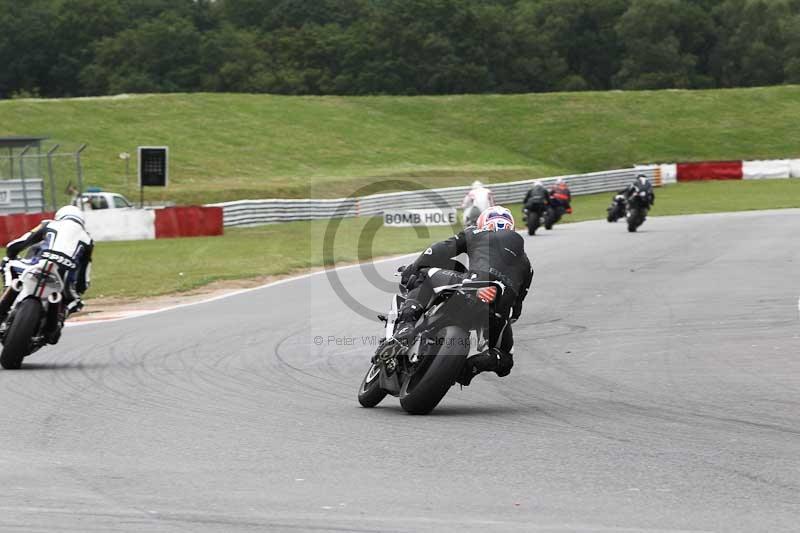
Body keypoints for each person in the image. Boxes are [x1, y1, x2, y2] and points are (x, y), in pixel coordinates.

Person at [393, 206, 534, 386]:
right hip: (497, 311)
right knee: (505, 359)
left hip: (472, 286)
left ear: (484, 224)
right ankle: (467, 368)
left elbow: (439, 250)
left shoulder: (477, 232)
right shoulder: (527, 265)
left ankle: (406, 325)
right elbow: (516, 310)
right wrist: (502, 317)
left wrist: (413, 268)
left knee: (423, 274)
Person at [0, 205, 94, 344]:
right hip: (64, 278)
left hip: (39, 265)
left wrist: (12, 254)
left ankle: (9, 293)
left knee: (7, 263)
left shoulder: (49, 224)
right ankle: (57, 322)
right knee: (75, 301)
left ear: (59, 216)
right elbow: (83, 274)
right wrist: (79, 290)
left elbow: (18, 244)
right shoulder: (88, 240)